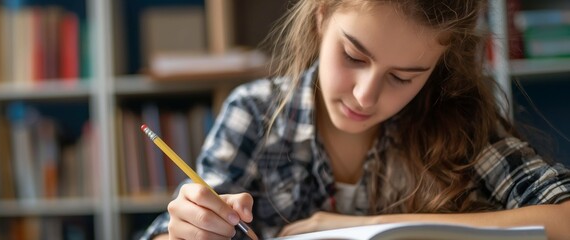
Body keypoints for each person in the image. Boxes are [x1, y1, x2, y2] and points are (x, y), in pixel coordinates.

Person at [142, 0, 570, 239]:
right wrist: (187, 229)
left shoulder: (458, 120)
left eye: (403, 77)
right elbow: (171, 231)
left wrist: (372, 228)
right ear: (322, 13)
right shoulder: (254, 114)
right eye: (353, 56)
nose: (365, 96)